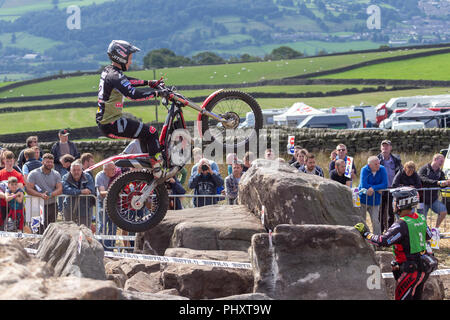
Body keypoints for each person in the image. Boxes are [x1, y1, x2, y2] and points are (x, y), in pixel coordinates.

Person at [96, 40, 166, 177]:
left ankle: (149, 165)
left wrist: (148, 83)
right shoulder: (114, 76)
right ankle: (157, 169)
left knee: (144, 135)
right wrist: (157, 93)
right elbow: (134, 95)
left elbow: (126, 81)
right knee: (151, 132)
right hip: (112, 123)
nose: (131, 61)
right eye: (130, 58)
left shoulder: (110, 71)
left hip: (109, 122)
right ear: (121, 57)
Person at [354, 187, 437, 300]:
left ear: (402, 203)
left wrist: (366, 234)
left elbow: (383, 241)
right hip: (423, 269)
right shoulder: (420, 218)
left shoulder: (401, 224)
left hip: (410, 271)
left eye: (395, 200)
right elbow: (429, 235)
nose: (393, 203)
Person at [25, 153, 63, 234]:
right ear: (42, 162)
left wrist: (50, 194)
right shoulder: (33, 173)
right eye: (47, 162)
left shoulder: (56, 174)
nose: (49, 164)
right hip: (36, 206)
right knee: (36, 230)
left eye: (51, 162)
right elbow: (28, 189)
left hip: (52, 205)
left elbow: (60, 189)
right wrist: (40, 195)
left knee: (50, 231)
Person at [358, 156, 388, 235]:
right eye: (376, 164)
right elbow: (363, 184)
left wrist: (373, 188)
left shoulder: (382, 169)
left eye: (379, 163)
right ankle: (363, 236)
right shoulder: (364, 170)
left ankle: (377, 239)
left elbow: (385, 184)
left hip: (375, 200)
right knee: (362, 220)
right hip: (363, 200)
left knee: (375, 220)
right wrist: (377, 188)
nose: (378, 165)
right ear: (369, 165)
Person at [95, 161, 122, 249]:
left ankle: (110, 248)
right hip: (102, 203)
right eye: (112, 169)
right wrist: (115, 191)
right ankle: (100, 248)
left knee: (113, 227)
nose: (114, 171)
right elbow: (102, 193)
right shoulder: (99, 176)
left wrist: (115, 192)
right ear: (105, 170)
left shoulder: (117, 174)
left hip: (114, 204)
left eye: (114, 168)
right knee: (102, 226)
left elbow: (122, 190)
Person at [378, 140, 403, 232]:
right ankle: (380, 233)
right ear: (381, 148)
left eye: (387, 146)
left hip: (392, 190)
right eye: (383, 146)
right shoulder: (376, 160)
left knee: (391, 212)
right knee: (380, 213)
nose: (385, 148)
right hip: (380, 189)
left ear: (390, 148)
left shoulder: (396, 160)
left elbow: (401, 172)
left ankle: (390, 232)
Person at [418, 154, 448, 229]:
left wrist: (447, 183)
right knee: (421, 220)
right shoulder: (424, 169)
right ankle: (424, 235)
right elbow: (423, 179)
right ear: (435, 159)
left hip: (433, 200)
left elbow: (442, 183)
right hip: (422, 200)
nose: (442, 163)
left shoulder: (440, 172)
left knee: (443, 211)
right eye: (440, 161)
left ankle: (436, 230)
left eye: (443, 161)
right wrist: (437, 182)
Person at [62, 160, 96, 228]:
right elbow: (66, 190)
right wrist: (81, 192)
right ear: (70, 170)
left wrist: (75, 192)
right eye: (74, 170)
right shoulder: (65, 177)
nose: (76, 172)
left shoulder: (88, 176)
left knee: (84, 231)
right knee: (69, 231)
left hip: (85, 208)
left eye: (78, 170)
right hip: (69, 208)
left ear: (82, 170)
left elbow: (91, 189)